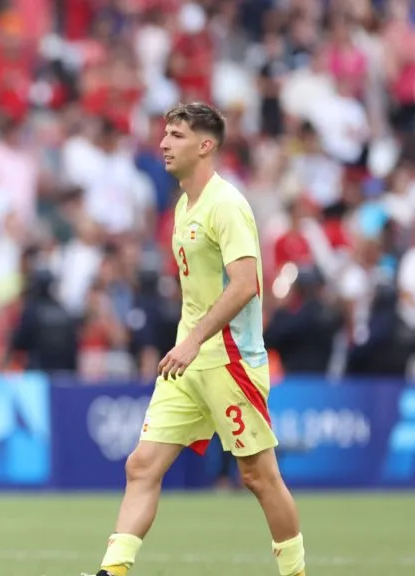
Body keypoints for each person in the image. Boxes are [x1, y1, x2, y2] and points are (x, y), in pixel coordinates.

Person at [82, 103, 306, 576]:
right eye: (165, 133)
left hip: (228, 359)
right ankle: (113, 570)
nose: (163, 143)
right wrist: (187, 343)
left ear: (206, 146)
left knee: (259, 476)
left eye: (177, 135)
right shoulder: (183, 205)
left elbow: (245, 284)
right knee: (142, 465)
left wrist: (193, 340)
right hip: (187, 362)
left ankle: (296, 573)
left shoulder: (226, 204)